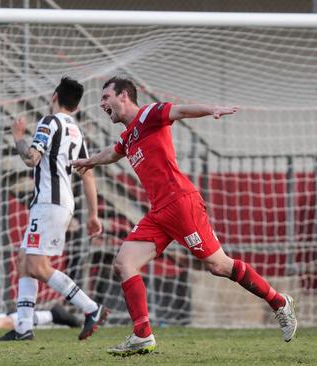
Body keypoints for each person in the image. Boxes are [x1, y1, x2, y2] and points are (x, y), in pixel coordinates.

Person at [72, 77, 297, 356]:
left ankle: (279, 303)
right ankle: (142, 335)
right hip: (158, 213)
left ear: (124, 96)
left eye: (106, 97)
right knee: (124, 263)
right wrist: (88, 161)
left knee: (219, 266)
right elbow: (111, 154)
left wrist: (212, 108)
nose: (102, 103)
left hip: (181, 204)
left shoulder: (149, 114)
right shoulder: (128, 135)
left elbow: (180, 111)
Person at [0, 77, 106, 342]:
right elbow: (88, 175)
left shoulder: (49, 121)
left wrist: (18, 138)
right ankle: (23, 328)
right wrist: (93, 214)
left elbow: (31, 159)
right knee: (25, 259)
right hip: (60, 203)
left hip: (49, 203)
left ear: (54, 96)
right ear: (77, 107)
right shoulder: (77, 131)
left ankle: (92, 308)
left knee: (36, 266)